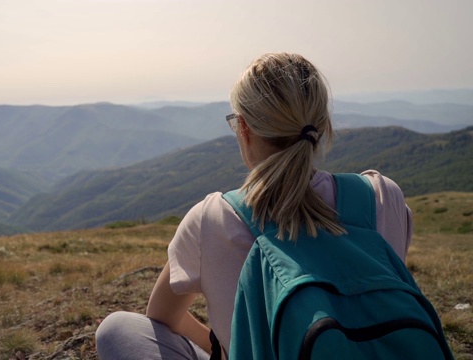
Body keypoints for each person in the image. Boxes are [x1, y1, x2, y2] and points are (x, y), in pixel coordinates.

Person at [95, 52, 412, 359]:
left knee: (117, 328)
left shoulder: (212, 219)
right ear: (323, 124)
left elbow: (162, 315)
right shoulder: (383, 196)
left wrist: (224, 347)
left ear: (243, 128)